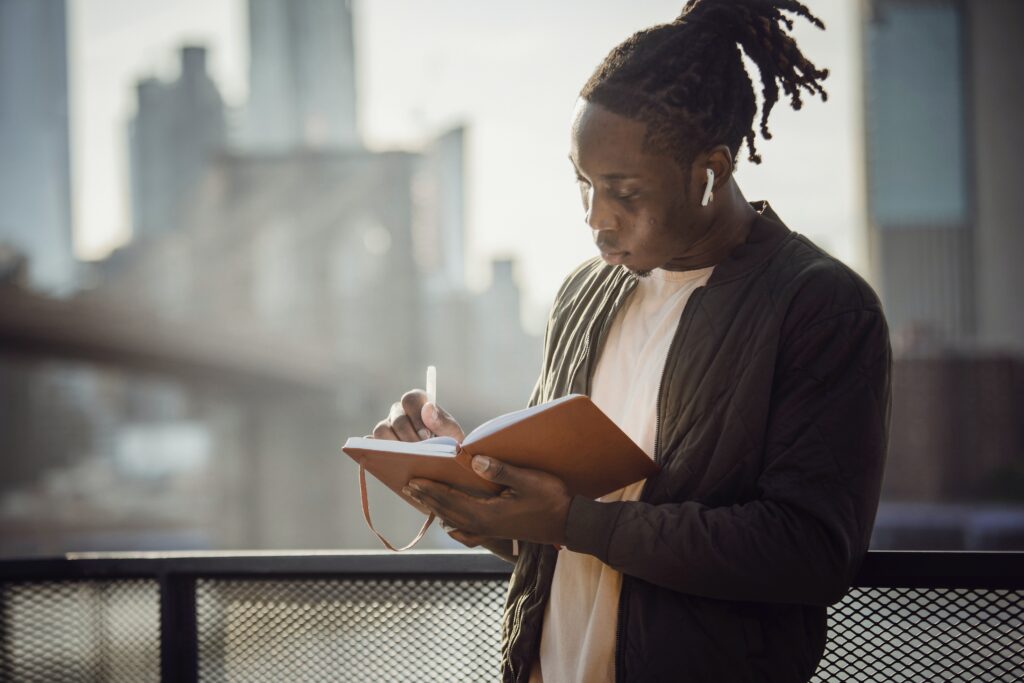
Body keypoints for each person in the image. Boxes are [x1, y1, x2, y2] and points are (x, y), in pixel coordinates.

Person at [371, 0, 892, 680]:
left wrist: (571, 521)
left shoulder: (821, 306)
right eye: (583, 183)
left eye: (624, 192)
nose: (595, 218)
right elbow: (553, 532)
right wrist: (468, 483)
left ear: (711, 171)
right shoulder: (582, 295)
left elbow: (810, 552)